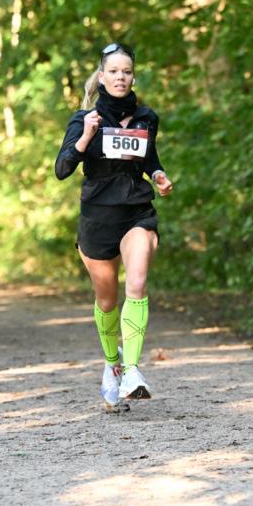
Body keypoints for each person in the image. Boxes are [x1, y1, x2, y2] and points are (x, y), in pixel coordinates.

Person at [55, 42, 173, 411]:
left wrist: (158, 175)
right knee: (106, 301)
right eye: (114, 71)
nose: (121, 77)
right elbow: (62, 170)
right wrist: (86, 136)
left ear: (132, 76)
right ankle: (112, 365)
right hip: (98, 217)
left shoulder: (146, 117)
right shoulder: (84, 118)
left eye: (127, 72)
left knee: (136, 283)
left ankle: (134, 371)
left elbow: (148, 157)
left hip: (136, 211)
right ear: (102, 77)